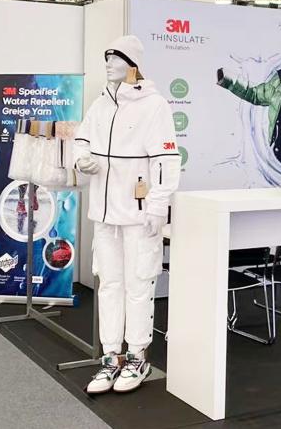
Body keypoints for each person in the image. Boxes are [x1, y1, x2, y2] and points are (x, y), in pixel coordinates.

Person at [75, 35, 181, 394]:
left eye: (115, 57)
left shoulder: (154, 105)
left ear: (132, 63)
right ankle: (111, 356)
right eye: (106, 57)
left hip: (139, 214)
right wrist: (82, 159)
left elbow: (166, 159)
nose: (108, 64)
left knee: (139, 283)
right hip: (104, 213)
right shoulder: (101, 103)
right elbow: (82, 138)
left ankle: (138, 355)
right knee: (109, 284)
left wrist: (158, 205)